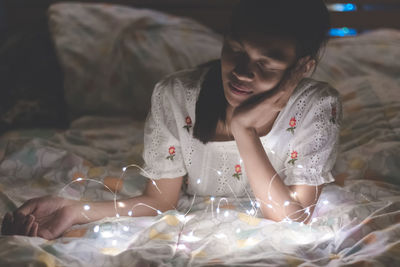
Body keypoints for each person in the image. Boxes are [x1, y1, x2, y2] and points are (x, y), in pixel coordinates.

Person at [1, 0, 341, 240]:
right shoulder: (176, 97)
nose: (242, 72)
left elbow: (294, 219)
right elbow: (161, 201)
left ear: (303, 67)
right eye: (236, 49)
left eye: (266, 64)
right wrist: (74, 210)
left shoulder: (316, 107)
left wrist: (244, 130)